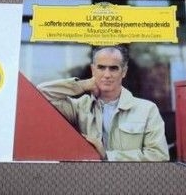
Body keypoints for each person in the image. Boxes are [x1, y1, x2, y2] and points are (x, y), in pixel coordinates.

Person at [36, 45, 169, 161]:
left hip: (131, 181)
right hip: (91, 180)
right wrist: (82, 84)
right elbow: (42, 93)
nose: (107, 74)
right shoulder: (79, 107)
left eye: (113, 68)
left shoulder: (147, 110)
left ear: (124, 72)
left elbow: (159, 156)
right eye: (101, 68)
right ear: (93, 70)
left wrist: (107, 156)